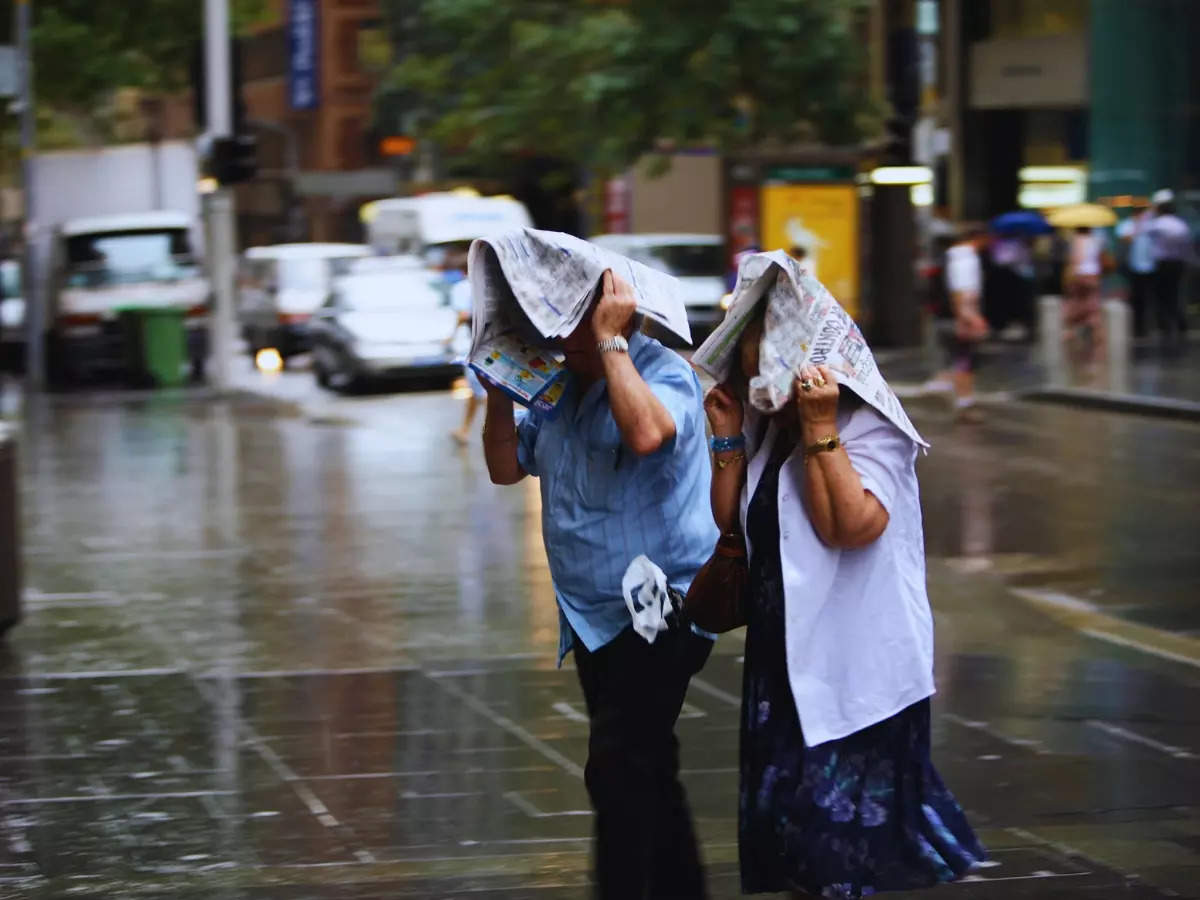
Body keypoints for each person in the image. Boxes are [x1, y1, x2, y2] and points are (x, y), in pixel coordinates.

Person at [703, 286, 984, 897]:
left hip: (857, 671)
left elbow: (850, 528)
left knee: (834, 850)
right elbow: (728, 527)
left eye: (761, 363)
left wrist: (820, 429)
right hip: (784, 663)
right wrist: (728, 438)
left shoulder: (870, 425)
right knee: (794, 842)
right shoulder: (769, 428)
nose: (755, 380)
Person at [481, 269, 718, 899]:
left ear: (615, 321)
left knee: (615, 768)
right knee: (645, 767)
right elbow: (506, 467)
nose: (564, 349)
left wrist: (612, 345)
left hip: (662, 610)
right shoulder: (562, 387)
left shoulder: (661, 371)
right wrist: (499, 392)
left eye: (577, 335)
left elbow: (646, 433)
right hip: (591, 615)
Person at [442, 246, 485, 445]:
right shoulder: (487, 284)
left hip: (473, 346)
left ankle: (512, 426)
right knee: (477, 391)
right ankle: (464, 429)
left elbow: (463, 315)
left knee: (482, 392)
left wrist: (451, 335)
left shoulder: (462, 287)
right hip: (492, 343)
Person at [943, 226, 987, 422]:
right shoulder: (966, 258)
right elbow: (962, 290)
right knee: (964, 360)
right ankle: (964, 403)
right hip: (964, 315)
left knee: (962, 359)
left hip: (958, 314)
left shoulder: (952, 256)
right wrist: (968, 317)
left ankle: (964, 401)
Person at [1147, 189, 1191, 349]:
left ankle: (1165, 325)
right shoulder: (1180, 225)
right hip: (1178, 264)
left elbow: (1145, 231)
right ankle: (1179, 323)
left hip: (1163, 264)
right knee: (1174, 294)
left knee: (1162, 296)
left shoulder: (1157, 224)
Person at [1117, 205, 1155, 339]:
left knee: (1147, 297)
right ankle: (1136, 326)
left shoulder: (1150, 225)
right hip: (1134, 267)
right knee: (1136, 297)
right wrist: (1137, 228)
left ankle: (1146, 325)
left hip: (1149, 267)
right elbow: (1124, 238)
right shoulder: (1128, 225)